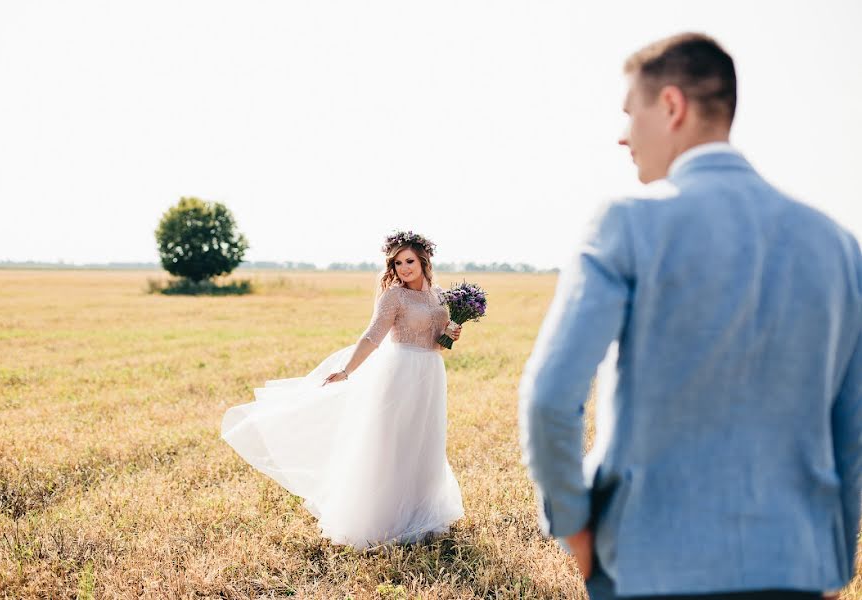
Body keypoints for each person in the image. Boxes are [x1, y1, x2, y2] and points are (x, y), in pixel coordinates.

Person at [518, 32, 861, 599]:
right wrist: (833, 564)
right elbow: (848, 428)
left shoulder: (626, 223)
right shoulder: (837, 244)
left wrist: (574, 525)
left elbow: (551, 396)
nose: (623, 135)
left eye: (631, 112)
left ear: (672, 106)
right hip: (795, 565)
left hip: (650, 565)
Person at [221, 231, 464, 549]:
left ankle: (422, 513)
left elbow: (437, 344)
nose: (404, 268)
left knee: (425, 440)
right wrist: (347, 370)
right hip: (400, 372)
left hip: (431, 373)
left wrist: (449, 334)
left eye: (409, 261)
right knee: (394, 442)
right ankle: (385, 519)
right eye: (397, 262)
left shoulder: (439, 297)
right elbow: (372, 336)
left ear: (423, 261)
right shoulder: (394, 296)